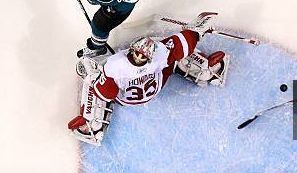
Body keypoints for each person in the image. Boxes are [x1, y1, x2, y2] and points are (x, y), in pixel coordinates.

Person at [67, 13, 230, 145]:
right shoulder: (159, 54)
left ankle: (92, 124)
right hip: (155, 87)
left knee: (93, 78)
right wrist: (194, 32)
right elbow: (182, 45)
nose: (138, 56)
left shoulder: (114, 65)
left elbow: (107, 94)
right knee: (172, 56)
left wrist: (95, 76)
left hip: (126, 99)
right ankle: (207, 71)